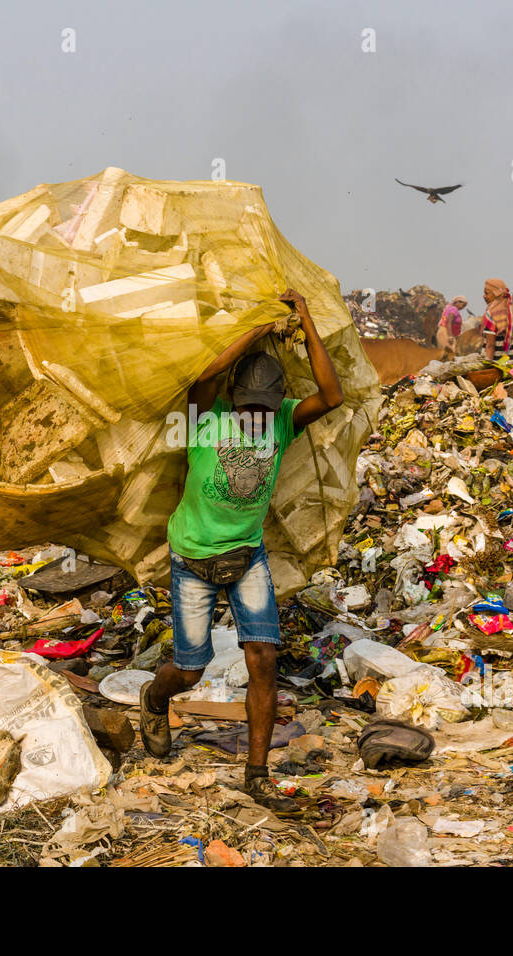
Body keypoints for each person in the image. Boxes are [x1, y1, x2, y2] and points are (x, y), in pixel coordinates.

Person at [139, 287, 343, 811]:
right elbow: (206, 375)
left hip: (247, 554)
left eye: (265, 407)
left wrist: (304, 320)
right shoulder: (202, 417)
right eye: (249, 405)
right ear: (235, 397)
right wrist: (256, 327)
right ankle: (155, 699)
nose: (258, 414)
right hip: (193, 558)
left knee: (263, 660)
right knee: (191, 669)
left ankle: (256, 774)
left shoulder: (282, 419)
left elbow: (333, 395)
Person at [482, 278, 513, 363]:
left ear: (496, 294)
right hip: (512, 367)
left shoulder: (491, 315)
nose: (484, 296)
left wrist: (486, 367)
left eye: (487, 293)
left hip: (496, 368)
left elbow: (490, 346)